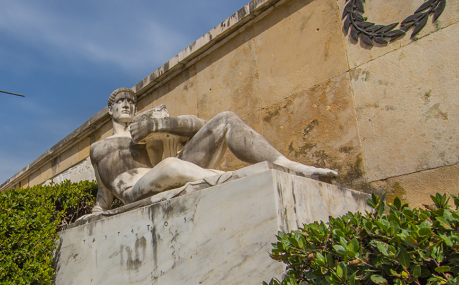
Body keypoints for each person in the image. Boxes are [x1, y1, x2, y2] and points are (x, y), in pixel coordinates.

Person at [89, 88, 338, 213]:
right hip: (136, 191)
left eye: (131, 102)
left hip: (172, 172)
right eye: (120, 101)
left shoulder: (144, 132)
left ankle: (289, 166)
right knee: (170, 165)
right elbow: (104, 194)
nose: (127, 104)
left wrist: (157, 125)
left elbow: (199, 125)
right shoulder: (99, 148)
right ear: (110, 110)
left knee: (225, 119)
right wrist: (96, 212)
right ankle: (237, 178)